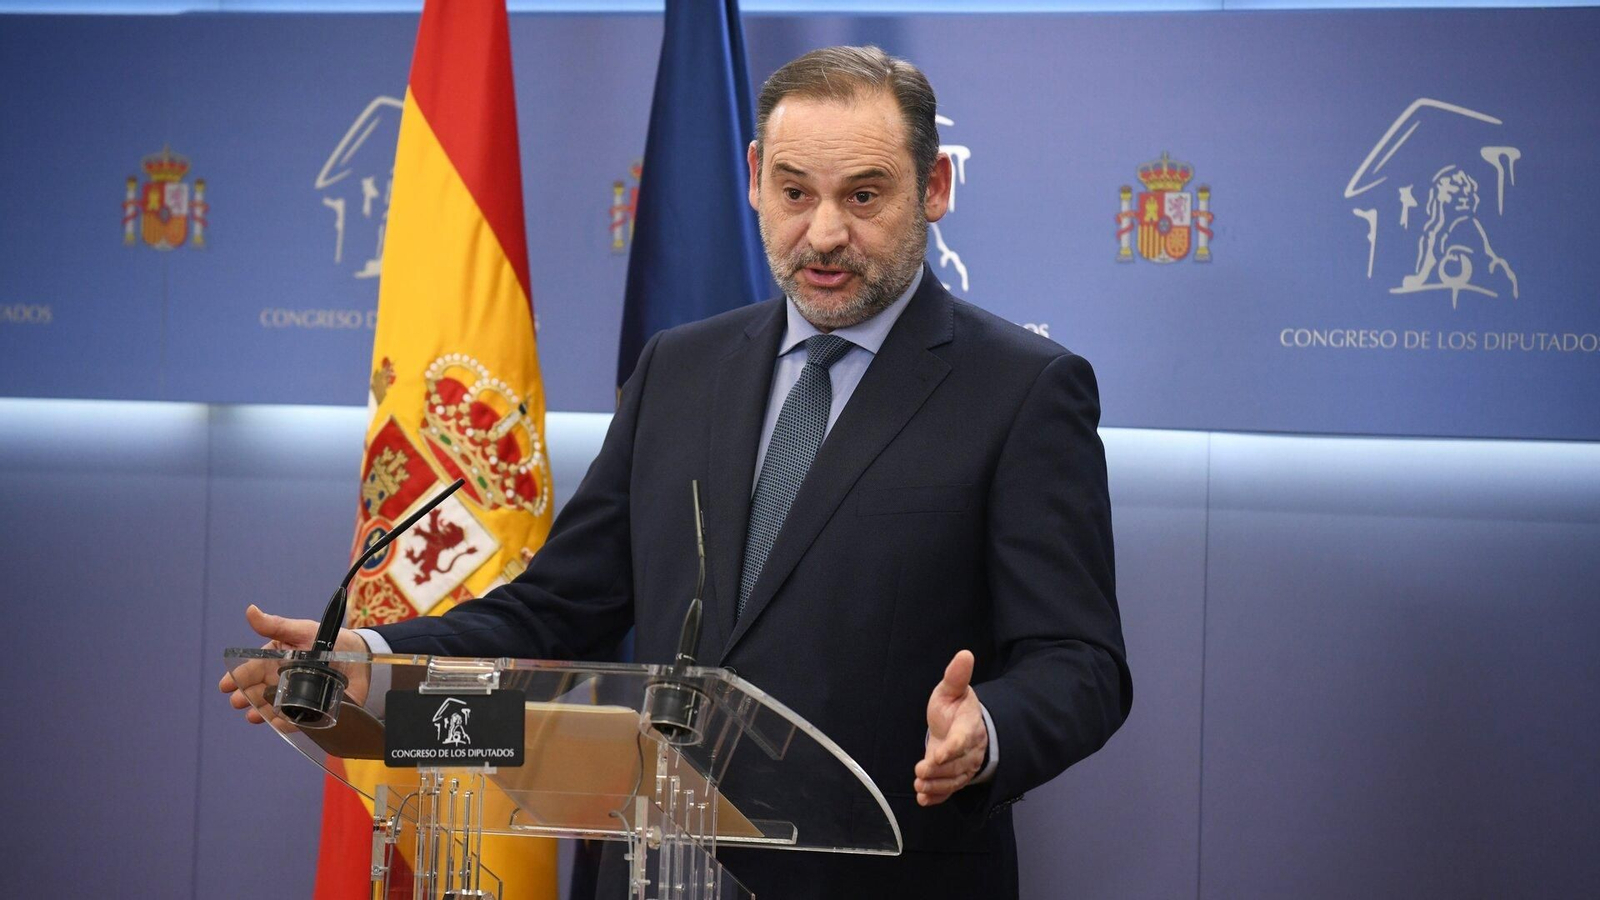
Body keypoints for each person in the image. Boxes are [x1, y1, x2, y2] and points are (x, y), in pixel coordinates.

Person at [223, 45, 1129, 899]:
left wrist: (989, 731)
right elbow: (560, 604)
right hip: (657, 867)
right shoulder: (681, 368)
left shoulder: (1022, 390)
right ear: (752, 181)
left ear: (933, 188)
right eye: (794, 192)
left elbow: (1081, 663)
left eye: (864, 196)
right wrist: (375, 658)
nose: (823, 233)